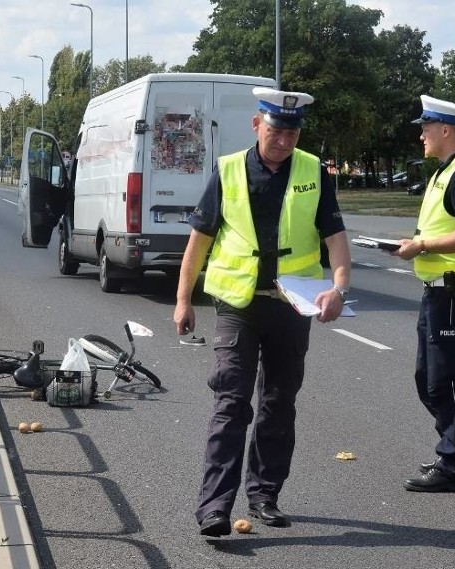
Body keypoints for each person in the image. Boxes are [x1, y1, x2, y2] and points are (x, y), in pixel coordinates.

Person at [173, 86, 352, 536]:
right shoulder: (228, 170)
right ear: (257, 125)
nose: (284, 140)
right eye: (276, 130)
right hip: (238, 304)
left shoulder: (313, 171)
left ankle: (265, 494)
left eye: (292, 132)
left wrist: (339, 287)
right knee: (231, 402)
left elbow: (335, 238)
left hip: (292, 307)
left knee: (278, 402)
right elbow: (200, 239)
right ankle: (214, 507)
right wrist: (182, 300)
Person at [392, 94, 455, 493]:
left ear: (445, 129)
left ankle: (454, 463)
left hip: (454, 292)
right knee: (427, 378)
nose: (421, 136)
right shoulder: (446, 171)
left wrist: (423, 246)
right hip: (438, 292)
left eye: (426, 128)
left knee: (448, 381)